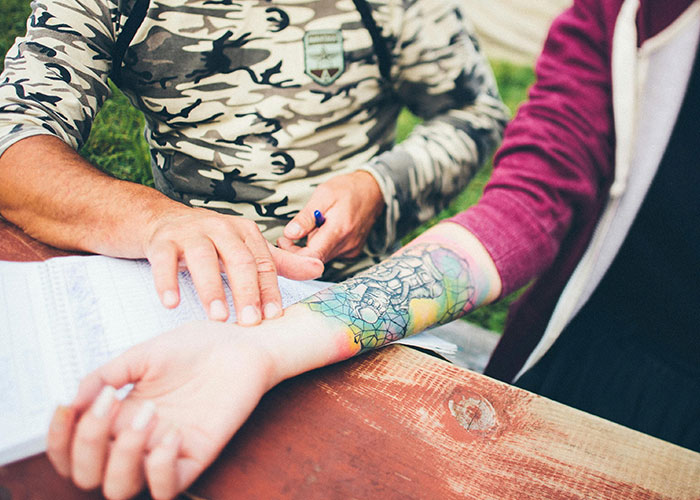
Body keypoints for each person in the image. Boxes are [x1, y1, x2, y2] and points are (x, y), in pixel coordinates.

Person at [45, 0, 700, 497]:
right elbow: (530, 204)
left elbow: (473, 111)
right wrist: (257, 347)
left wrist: (379, 187)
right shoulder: (625, 15)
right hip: (585, 360)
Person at [0, 0, 507, 325]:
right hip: (189, 295)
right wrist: (155, 220)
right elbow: (13, 135)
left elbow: (475, 111)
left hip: (354, 295)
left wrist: (380, 186)